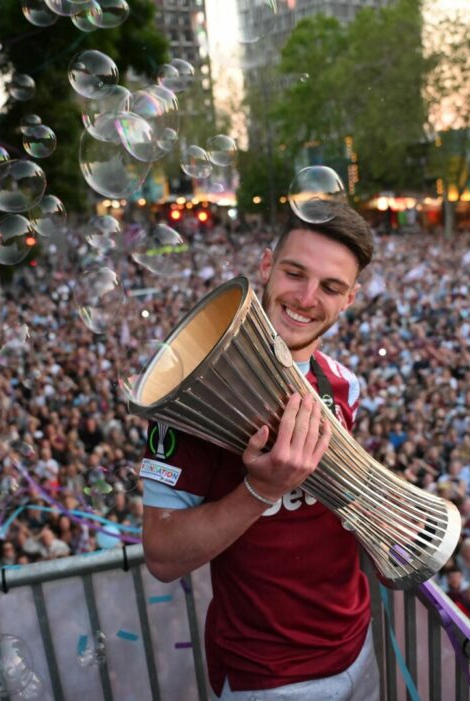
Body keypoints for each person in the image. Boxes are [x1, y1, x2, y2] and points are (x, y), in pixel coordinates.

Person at [139, 205, 379, 699]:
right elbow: (161, 556)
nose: (307, 298)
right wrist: (260, 489)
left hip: (358, 644)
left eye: (331, 288)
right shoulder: (190, 399)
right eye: (295, 273)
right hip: (268, 678)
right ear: (267, 267)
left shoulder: (344, 384)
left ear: (350, 299)